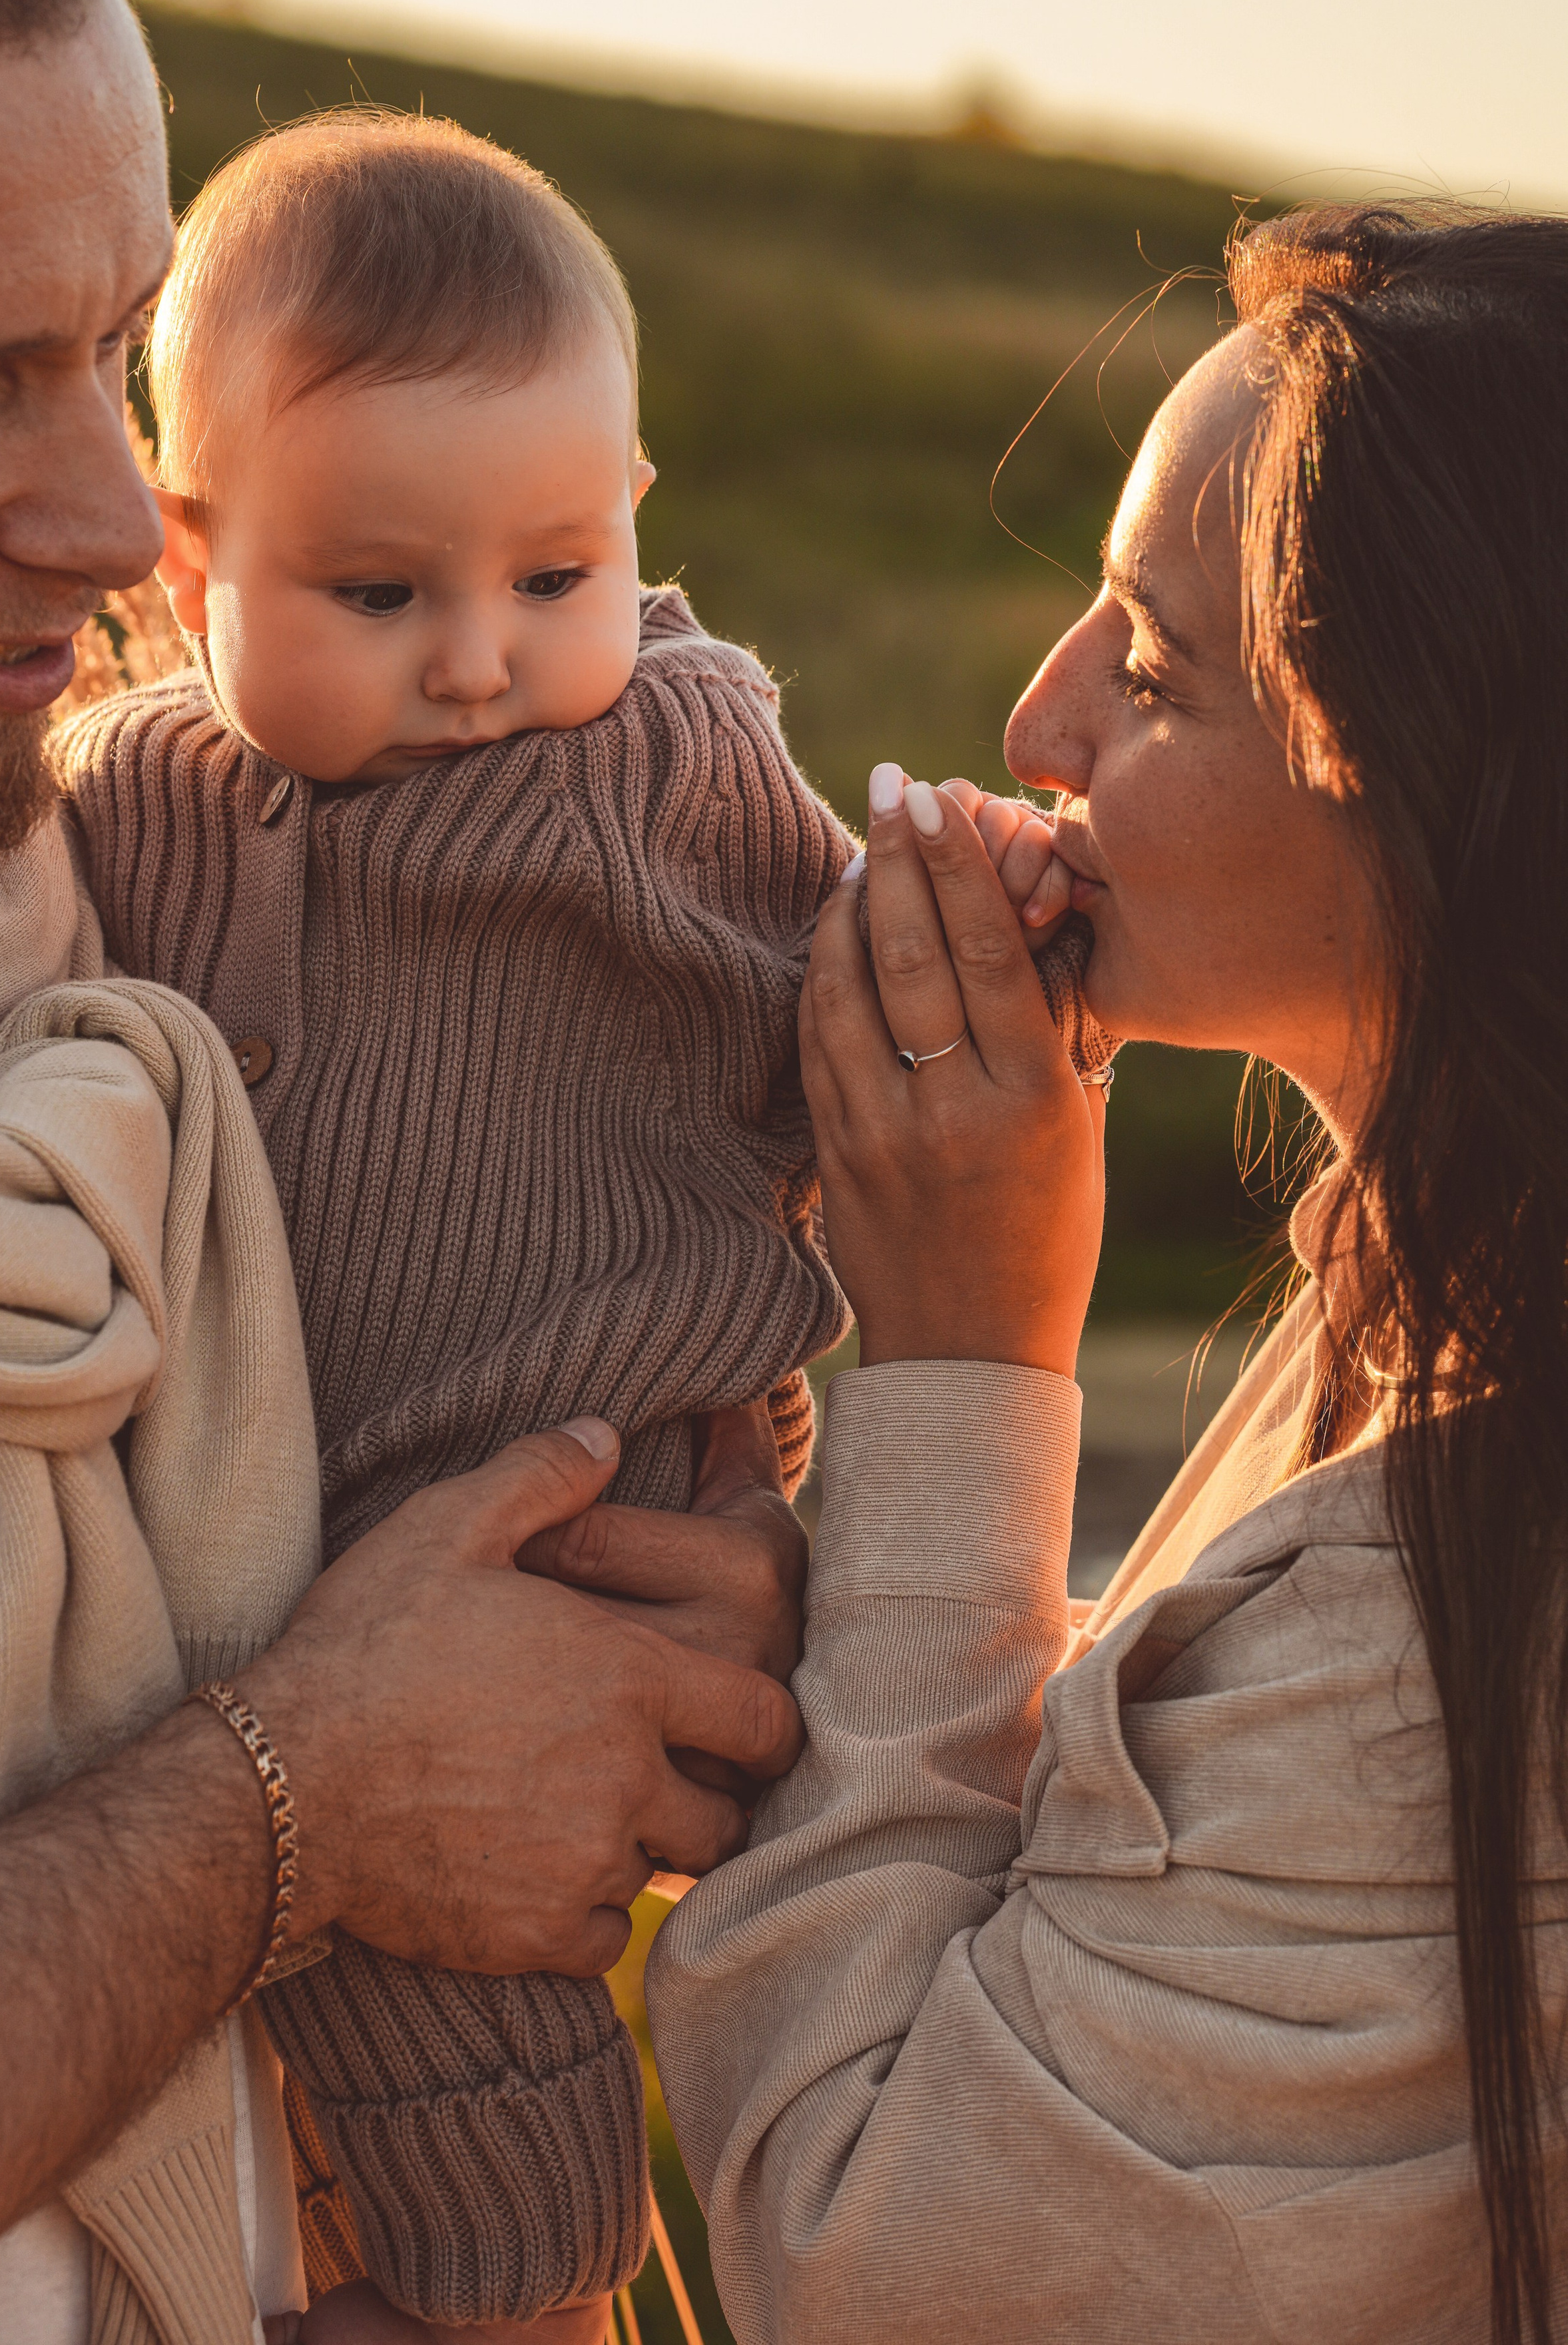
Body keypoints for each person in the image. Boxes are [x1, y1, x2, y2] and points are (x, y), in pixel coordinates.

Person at [0, 0, 806, 2339]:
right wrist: (321, 1794)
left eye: (106, 343)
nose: (103, 520)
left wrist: (716, 1600)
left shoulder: (15, 871)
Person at [48, 107, 1113, 2340]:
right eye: (376, 593)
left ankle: (505, 2304)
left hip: (566, 1504)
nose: (476, 657)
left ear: (633, 513)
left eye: (553, 578)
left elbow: (850, 956)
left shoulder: (672, 758)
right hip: (249, 1570)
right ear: (187, 554)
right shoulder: (123, 794)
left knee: (486, 2027)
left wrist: (976, 903)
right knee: (196, 2019)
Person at [648, 205, 1568, 2343]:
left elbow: (861, 2250)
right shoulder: (1419, 1293)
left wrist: (967, 1347)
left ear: (1431, 791)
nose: (1039, 719)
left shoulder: (1464, 1601)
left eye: (1151, 670)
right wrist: (839, 1641)